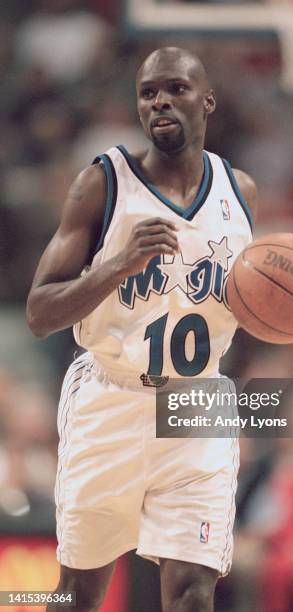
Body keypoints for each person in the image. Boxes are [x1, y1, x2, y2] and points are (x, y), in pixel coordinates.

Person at [26, 47, 258, 612]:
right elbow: (39, 312)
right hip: (111, 397)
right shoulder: (101, 185)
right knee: (79, 596)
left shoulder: (241, 192)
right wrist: (115, 266)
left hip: (196, 402)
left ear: (206, 101)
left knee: (192, 592)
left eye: (175, 88)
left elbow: (247, 314)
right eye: (148, 91)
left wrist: (284, 307)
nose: (160, 101)